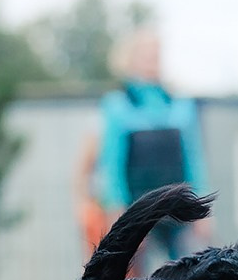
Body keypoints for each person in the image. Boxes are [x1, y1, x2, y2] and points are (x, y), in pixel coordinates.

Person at [76, 28, 209, 266]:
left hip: (176, 203)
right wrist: (117, 207)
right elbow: (112, 161)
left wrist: (200, 207)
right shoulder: (117, 106)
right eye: (145, 54)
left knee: (187, 270)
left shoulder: (180, 106)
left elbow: (193, 158)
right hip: (136, 205)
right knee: (132, 277)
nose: (152, 60)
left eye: (156, 54)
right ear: (130, 59)